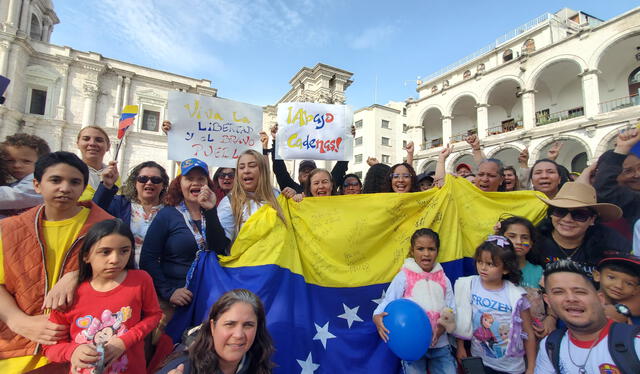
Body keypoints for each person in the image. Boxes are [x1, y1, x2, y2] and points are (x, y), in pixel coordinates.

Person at [0, 151, 113, 373]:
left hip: (76, 347)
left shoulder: (108, 227)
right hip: (17, 347)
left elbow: (123, 276)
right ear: (36, 185)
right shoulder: (10, 229)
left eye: (74, 182)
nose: (65, 188)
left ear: (83, 188)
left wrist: (79, 274)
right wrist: (18, 321)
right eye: (55, 180)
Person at [43, 219, 162, 373]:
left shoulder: (140, 280)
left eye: (124, 251)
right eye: (105, 252)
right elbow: (49, 347)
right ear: (86, 256)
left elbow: (154, 315)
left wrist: (124, 341)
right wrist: (72, 352)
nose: (115, 260)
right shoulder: (69, 293)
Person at [140, 158, 216, 328]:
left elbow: (221, 250)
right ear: (179, 184)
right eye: (189, 178)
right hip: (176, 302)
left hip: (208, 299)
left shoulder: (214, 214)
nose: (195, 183)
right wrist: (169, 292)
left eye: (201, 179)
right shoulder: (167, 215)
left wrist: (212, 212)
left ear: (208, 184)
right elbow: (148, 258)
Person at [372, 229, 457, 373]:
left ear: (437, 251)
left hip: (440, 345)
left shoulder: (444, 279)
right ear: (412, 251)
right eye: (420, 249)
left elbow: (451, 308)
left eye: (431, 249)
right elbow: (388, 302)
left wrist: (444, 326)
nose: (426, 253)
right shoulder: (404, 276)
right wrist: (376, 318)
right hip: (411, 345)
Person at [535, 259, 640, 373]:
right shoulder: (550, 345)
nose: (571, 298)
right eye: (559, 292)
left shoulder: (635, 342)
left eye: (580, 292)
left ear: (600, 299)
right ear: (548, 300)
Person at [454, 236, 536, 374]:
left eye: (490, 264)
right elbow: (462, 317)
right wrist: (460, 346)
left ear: (505, 269)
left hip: (510, 367)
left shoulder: (516, 295)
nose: (483, 267)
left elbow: (528, 332)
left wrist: (531, 367)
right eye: (480, 262)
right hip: (478, 361)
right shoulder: (469, 285)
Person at [157, 289, 275, 374]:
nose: (239, 334)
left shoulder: (258, 366)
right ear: (213, 327)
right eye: (230, 324)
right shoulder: (183, 367)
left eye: (248, 325)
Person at [535, 182, 628, 275]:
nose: (567, 219)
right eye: (560, 211)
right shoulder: (532, 242)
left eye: (579, 215)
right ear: (551, 214)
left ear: (592, 219)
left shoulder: (610, 242)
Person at [93, 161, 170, 267]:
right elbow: (95, 213)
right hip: (122, 272)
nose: (149, 182)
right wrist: (107, 185)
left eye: (156, 180)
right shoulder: (119, 204)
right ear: (135, 182)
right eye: (143, 178)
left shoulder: (171, 211)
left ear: (163, 185)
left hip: (159, 276)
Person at [213, 149, 286, 249]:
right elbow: (219, 244)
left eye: (252, 166)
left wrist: (294, 198)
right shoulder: (229, 202)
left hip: (276, 262)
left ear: (263, 170)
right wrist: (210, 212)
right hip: (244, 263)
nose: (246, 171)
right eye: (241, 167)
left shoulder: (277, 196)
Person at [496, 216, 548, 338]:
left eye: (524, 237)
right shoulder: (493, 271)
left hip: (534, 335)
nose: (518, 242)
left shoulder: (539, 271)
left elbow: (551, 301)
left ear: (531, 243)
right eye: (512, 236)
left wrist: (551, 318)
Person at [268, 124, 349, 193]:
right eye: (303, 170)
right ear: (298, 177)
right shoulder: (292, 189)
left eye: (311, 170)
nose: (307, 172)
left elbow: (340, 169)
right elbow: (279, 169)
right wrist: (276, 140)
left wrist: (348, 140)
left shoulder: (326, 189)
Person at [0, 133, 51, 217]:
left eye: (26, 161)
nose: (17, 165)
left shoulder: (41, 180)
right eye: (10, 161)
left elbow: (14, 197)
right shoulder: (18, 182)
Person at [594, 254, 640, 325]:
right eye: (611, 277)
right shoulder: (582, 301)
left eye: (629, 284)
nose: (619, 286)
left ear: (636, 290)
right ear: (597, 276)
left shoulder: (630, 317)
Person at [76, 126, 119, 201]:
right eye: (86, 139)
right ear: (78, 144)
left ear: (108, 146)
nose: (92, 143)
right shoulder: (70, 172)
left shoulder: (114, 175)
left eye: (99, 140)